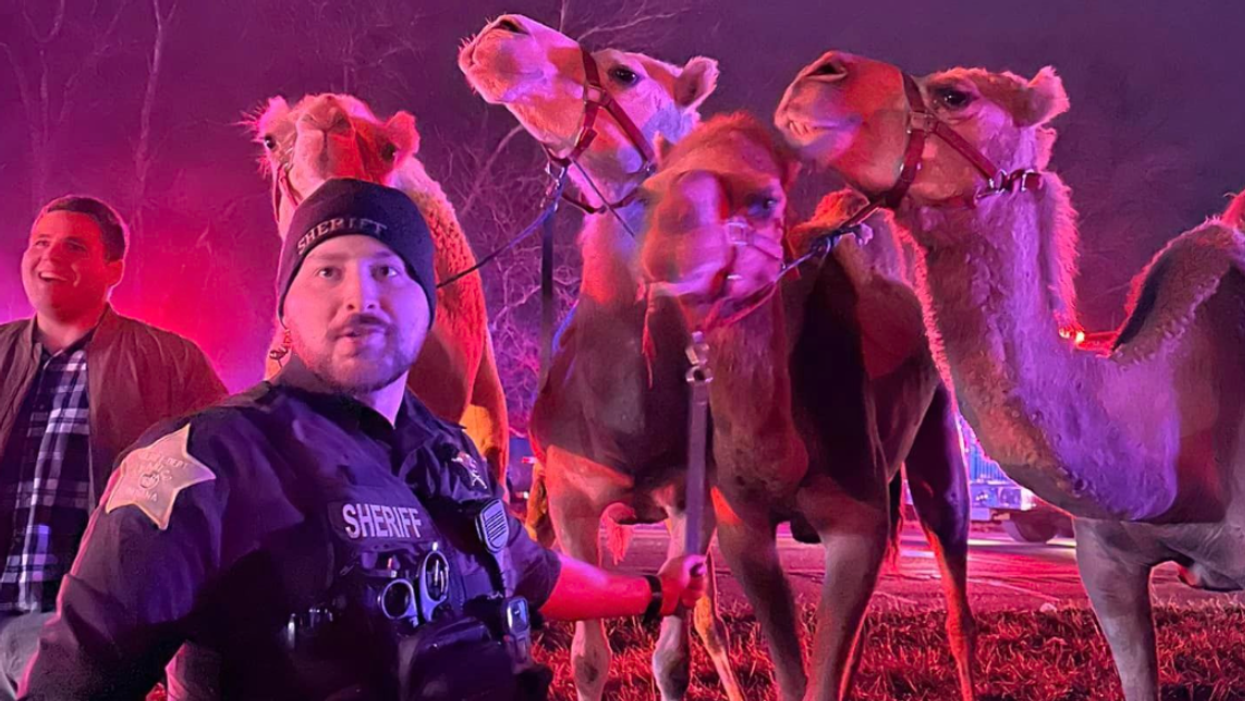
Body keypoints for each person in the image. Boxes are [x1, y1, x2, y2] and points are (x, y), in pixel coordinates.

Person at [19, 179, 706, 700]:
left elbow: (532, 572)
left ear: (425, 305)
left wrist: (654, 592)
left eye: (389, 270)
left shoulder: (449, 454)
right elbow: (78, 676)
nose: (361, 295)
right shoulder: (204, 462)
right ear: (284, 308)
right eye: (327, 270)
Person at [0, 195, 226, 699]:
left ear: (114, 269)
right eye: (41, 242)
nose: (50, 256)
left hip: (83, 635)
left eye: (74, 246)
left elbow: (223, 496)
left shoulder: (171, 363)